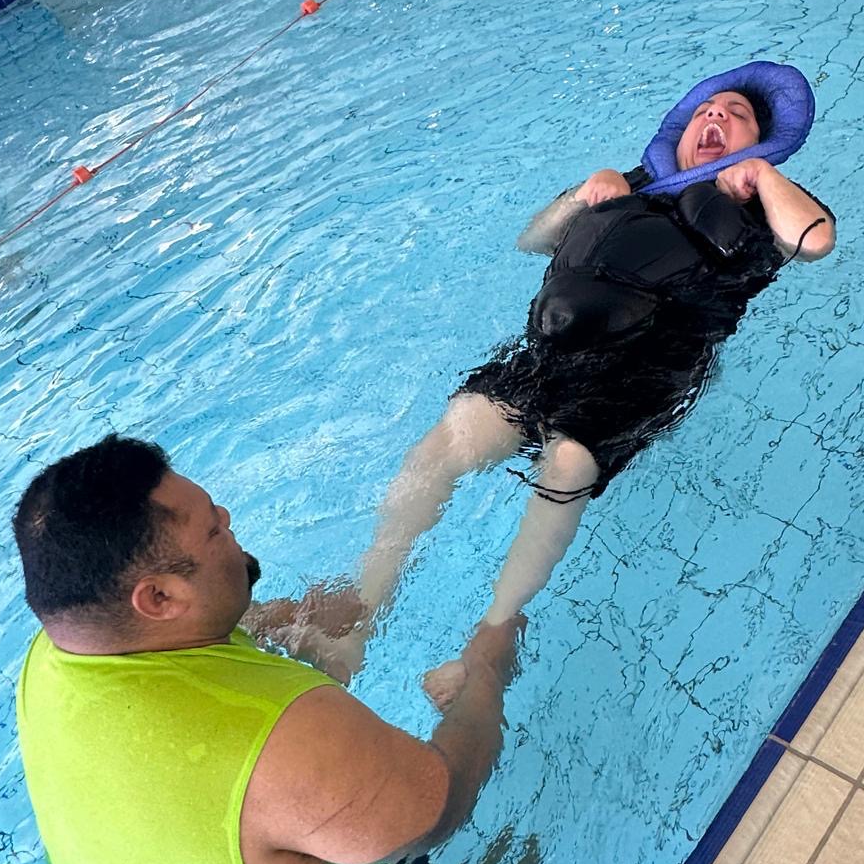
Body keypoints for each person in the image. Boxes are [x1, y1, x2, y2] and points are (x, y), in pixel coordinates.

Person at [288, 66, 835, 705]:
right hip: (553, 357)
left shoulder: (760, 205)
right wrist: (585, 191)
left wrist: (764, 175)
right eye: (704, 110)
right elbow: (533, 240)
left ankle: (489, 641)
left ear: (761, 139)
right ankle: (360, 612)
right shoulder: (631, 185)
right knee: (451, 437)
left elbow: (816, 241)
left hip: (649, 369)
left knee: (570, 460)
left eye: (735, 113)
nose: (714, 117)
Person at [11, 435, 524, 864]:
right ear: (162, 599)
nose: (231, 527)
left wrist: (338, 610)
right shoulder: (283, 743)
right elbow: (437, 804)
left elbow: (241, 628)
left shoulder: (58, 653)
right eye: (214, 530)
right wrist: (488, 674)